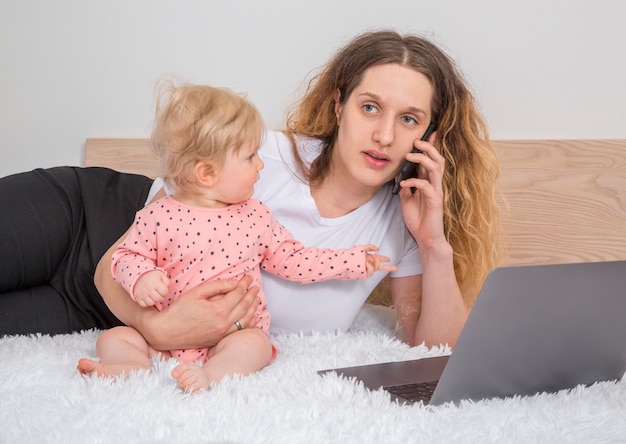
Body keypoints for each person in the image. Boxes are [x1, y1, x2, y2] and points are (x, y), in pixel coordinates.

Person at [1, 30, 503, 352]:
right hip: (91, 219)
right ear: (338, 105)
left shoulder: (403, 224)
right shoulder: (262, 153)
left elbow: (433, 350)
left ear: (428, 136)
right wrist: (159, 329)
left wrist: (435, 245)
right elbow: (116, 259)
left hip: (90, 312)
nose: (386, 136)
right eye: (369, 107)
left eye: (409, 119)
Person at [76, 84, 395, 393]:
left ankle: (211, 375)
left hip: (231, 336)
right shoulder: (158, 215)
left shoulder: (255, 216)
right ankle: (129, 366)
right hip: (167, 337)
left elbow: (294, 259)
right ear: (207, 174)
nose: (260, 164)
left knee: (254, 345)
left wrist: (351, 261)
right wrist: (141, 278)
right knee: (116, 338)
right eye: (250, 157)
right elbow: (125, 258)